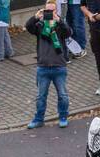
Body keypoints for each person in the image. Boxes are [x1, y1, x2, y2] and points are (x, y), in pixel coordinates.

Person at [25, 1, 71, 129]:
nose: (50, 13)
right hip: (43, 67)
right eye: (47, 10)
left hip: (59, 66)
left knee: (63, 95)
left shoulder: (60, 26)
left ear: (56, 11)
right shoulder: (40, 26)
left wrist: (59, 21)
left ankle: (63, 117)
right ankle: (39, 119)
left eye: (52, 10)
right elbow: (28, 27)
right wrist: (36, 16)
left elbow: (69, 33)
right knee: (41, 96)